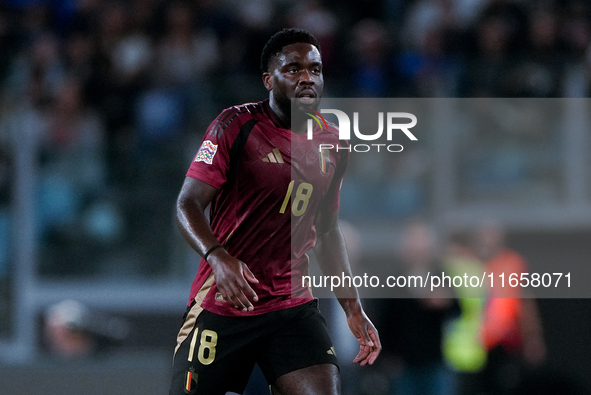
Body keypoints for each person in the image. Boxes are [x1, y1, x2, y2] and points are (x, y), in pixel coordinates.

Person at [169, 28, 381, 395]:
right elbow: (186, 204)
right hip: (226, 302)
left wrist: (352, 306)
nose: (306, 78)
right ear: (269, 79)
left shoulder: (333, 143)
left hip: (290, 303)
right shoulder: (234, 126)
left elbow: (327, 232)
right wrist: (218, 258)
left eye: (314, 69)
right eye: (293, 69)